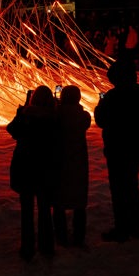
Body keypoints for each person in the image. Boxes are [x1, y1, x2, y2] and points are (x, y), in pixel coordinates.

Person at [94, 60, 139, 242]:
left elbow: (101, 120)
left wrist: (100, 103)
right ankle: (134, 226)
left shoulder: (113, 96)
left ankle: (122, 228)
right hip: (135, 147)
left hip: (118, 149)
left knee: (119, 189)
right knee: (132, 187)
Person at [7, 85, 61, 261]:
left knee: (27, 209)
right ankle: (47, 246)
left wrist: (22, 112)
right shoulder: (55, 118)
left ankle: (27, 247)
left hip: (27, 166)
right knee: (45, 208)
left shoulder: (26, 115)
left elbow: (12, 130)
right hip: (46, 168)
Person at [53, 85, 91, 247]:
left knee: (59, 200)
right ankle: (79, 236)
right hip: (78, 163)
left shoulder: (56, 115)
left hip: (59, 162)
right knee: (79, 201)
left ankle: (61, 235)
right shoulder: (83, 116)